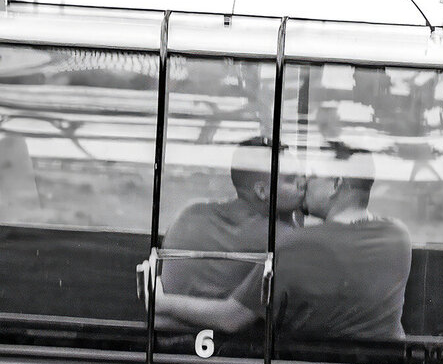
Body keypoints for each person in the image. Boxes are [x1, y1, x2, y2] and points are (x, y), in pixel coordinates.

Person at [154, 157, 412, 343]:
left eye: (312, 176)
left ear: (336, 185)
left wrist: (162, 303)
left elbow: (231, 318)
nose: (305, 183)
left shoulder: (297, 245)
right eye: (296, 178)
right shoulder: (399, 234)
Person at [159, 144, 305, 302]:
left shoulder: (191, 213)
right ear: (262, 192)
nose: (303, 184)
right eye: (291, 179)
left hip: (170, 320)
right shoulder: (278, 236)